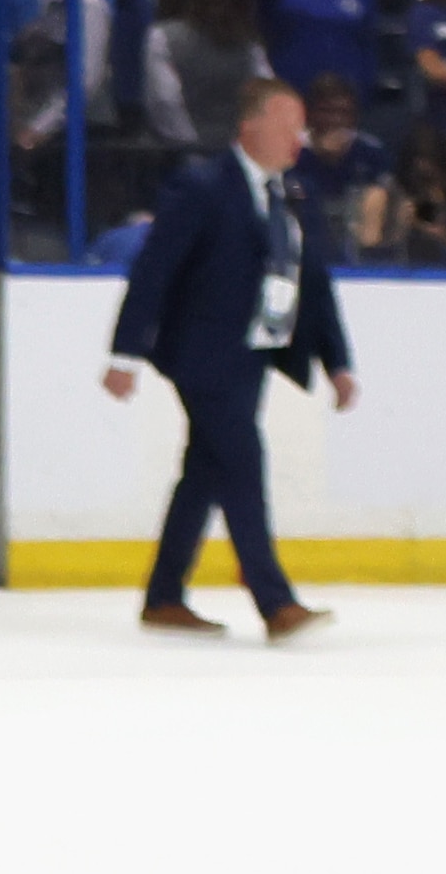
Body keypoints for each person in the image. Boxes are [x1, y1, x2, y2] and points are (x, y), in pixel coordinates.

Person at [108, 77, 355, 638]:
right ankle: (273, 599)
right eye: (289, 124)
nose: (300, 137)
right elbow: (155, 270)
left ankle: (164, 595)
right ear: (251, 126)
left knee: (205, 471)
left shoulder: (292, 193)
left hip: (255, 353)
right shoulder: (201, 188)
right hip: (201, 353)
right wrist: (124, 351)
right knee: (242, 460)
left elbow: (313, 282)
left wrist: (337, 362)